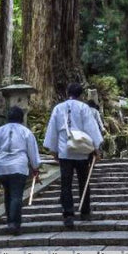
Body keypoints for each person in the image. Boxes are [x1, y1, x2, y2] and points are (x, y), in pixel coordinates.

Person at [44, 82, 104, 228]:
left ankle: (68, 214)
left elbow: (53, 129)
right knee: (84, 181)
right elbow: (91, 128)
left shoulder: (58, 108)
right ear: (81, 94)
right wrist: (96, 148)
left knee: (66, 184)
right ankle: (85, 211)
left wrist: (53, 150)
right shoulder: (84, 108)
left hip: (65, 151)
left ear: (67, 92)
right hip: (83, 151)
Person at [0, 106, 41, 235]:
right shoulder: (26, 132)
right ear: (21, 118)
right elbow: (32, 152)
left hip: (2, 166)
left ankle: (10, 220)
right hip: (18, 166)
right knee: (16, 195)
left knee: (8, 194)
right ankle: (14, 223)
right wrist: (35, 167)